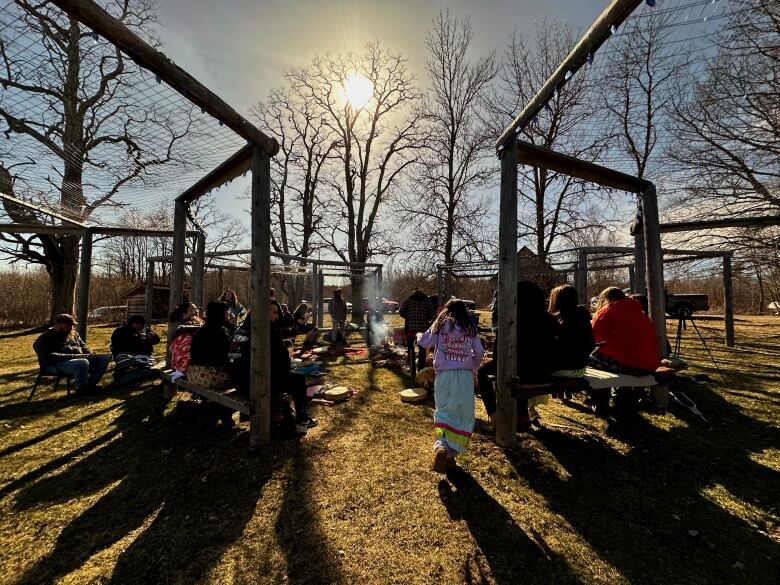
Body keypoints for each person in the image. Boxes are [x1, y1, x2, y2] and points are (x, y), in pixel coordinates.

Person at [418, 299, 484, 473]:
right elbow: (479, 352)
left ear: (445, 311)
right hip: (464, 377)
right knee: (463, 415)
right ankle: (450, 454)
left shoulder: (440, 325)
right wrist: (473, 366)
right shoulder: (470, 328)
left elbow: (424, 342)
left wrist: (419, 335)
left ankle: (441, 447)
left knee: (444, 411)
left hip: (444, 377)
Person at [228, 306, 318, 434]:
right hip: (254, 384)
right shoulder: (266, 331)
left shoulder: (238, 332)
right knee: (298, 379)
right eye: (274, 312)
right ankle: (302, 417)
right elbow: (283, 362)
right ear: (264, 313)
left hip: (237, 382)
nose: (277, 317)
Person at [590, 287, 661, 414]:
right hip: (649, 365)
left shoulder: (608, 311)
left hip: (628, 365)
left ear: (606, 299)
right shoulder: (641, 314)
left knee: (592, 360)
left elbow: (594, 338)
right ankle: (623, 398)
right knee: (620, 357)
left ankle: (600, 402)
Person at [33, 314, 110, 394]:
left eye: (72, 324)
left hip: (77, 359)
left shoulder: (74, 334)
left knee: (105, 358)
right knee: (83, 363)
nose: (71, 326)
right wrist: (76, 356)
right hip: (55, 364)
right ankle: (81, 389)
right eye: (68, 324)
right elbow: (48, 357)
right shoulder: (45, 337)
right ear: (58, 324)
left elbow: (84, 346)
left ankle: (91, 384)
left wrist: (90, 352)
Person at [189, 301, 235, 390]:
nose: (229, 313)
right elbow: (225, 356)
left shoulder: (204, 328)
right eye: (227, 311)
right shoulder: (220, 332)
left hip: (193, 374)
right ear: (220, 313)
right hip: (207, 376)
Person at [399, 288, 436, 380]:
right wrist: (426, 317)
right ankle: (421, 369)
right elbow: (432, 313)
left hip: (410, 329)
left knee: (411, 348)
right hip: (423, 330)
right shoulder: (426, 301)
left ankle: (412, 370)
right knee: (422, 350)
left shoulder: (408, 301)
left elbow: (401, 312)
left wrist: (408, 316)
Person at [110, 315, 161, 381]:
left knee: (146, 361)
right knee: (126, 360)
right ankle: (126, 373)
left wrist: (153, 336)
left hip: (142, 355)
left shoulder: (142, 331)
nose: (138, 325)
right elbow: (118, 344)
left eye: (140, 323)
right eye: (136, 323)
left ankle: (140, 371)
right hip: (124, 353)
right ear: (131, 323)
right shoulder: (120, 330)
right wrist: (136, 339)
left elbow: (155, 341)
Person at [168, 302, 202, 378]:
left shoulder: (196, 320)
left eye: (196, 309)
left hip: (193, 354)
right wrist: (199, 328)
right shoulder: (177, 322)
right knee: (186, 338)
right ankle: (181, 368)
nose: (196, 311)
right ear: (184, 313)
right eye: (192, 310)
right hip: (179, 350)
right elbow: (177, 329)